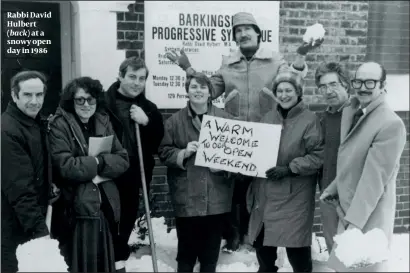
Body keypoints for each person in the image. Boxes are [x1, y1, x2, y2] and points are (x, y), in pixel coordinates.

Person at [166, 12, 323, 251]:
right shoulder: (227, 65)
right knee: (234, 187)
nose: (243, 33)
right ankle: (233, 236)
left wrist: (301, 55)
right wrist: (188, 69)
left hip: (267, 134)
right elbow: (210, 88)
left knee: (261, 187)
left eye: (248, 28)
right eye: (238, 30)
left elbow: (291, 79)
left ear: (258, 33)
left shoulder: (274, 61)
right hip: (235, 136)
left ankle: (258, 236)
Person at [320, 62, 406, 271]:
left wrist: (353, 225)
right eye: (358, 81)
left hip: (365, 216)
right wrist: (332, 189)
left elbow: (373, 181)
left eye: (370, 82)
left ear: (383, 85)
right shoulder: (356, 111)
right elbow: (351, 162)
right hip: (347, 209)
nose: (362, 87)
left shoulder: (389, 123)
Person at [48, 77, 130, 272]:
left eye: (91, 99)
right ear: (71, 101)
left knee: (108, 262)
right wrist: (96, 162)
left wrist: (99, 162)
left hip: (106, 205)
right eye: (80, 100)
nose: (86, 105)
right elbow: (66, 166)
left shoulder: (103, 121)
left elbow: (123, 159)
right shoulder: (60, 124)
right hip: (77, 208)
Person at [247, 71, 324, 272]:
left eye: (288, 90)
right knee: (263, 248)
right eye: (279, 90)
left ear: (298, 92)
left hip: (295, 196)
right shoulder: (267, 118)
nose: (283, 95)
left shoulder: (310, 120)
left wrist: (290, 168)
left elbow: (317, 156)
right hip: (266, 194)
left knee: (297, 249)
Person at [158, 73, 234, 272]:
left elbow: (237, 158)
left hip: (215, 196)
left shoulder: (225, 119)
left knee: (210, 256)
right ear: (187, 91)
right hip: (187, 197)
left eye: (203, 87)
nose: (198, 91)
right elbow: (164, 153)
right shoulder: (174, 121)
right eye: (193, 87)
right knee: (186, 255)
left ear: (210, 93)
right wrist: (183, 152)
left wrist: (224, 166)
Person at [105, 57, 164, 266]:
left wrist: (146, 121)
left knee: (126, 221)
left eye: (141, 78)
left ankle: (119, 263)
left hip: (133, 171)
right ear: (120, 76)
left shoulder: (149, 107)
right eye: (132, 76)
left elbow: (158, 141)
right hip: (107, 172)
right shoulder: (103, 104)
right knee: (107, 222)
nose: (136, 82)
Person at [1, 70, 51, 272]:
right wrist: (39, 231)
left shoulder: (34, 123)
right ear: (14, 96)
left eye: (39, 95)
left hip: (27, 221)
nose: (34, 101)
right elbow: (19, 188)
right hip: (14, 225)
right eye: (27, 95)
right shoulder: (7, 131)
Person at [314, 62, 352, 252]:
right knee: (334, 251)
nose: (328, 91)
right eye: (323, 86)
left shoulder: (359, 114)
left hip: (353, 198)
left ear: (345, 84)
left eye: (333, 84)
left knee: (355, 255)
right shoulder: (321, 119)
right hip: (328, 196)